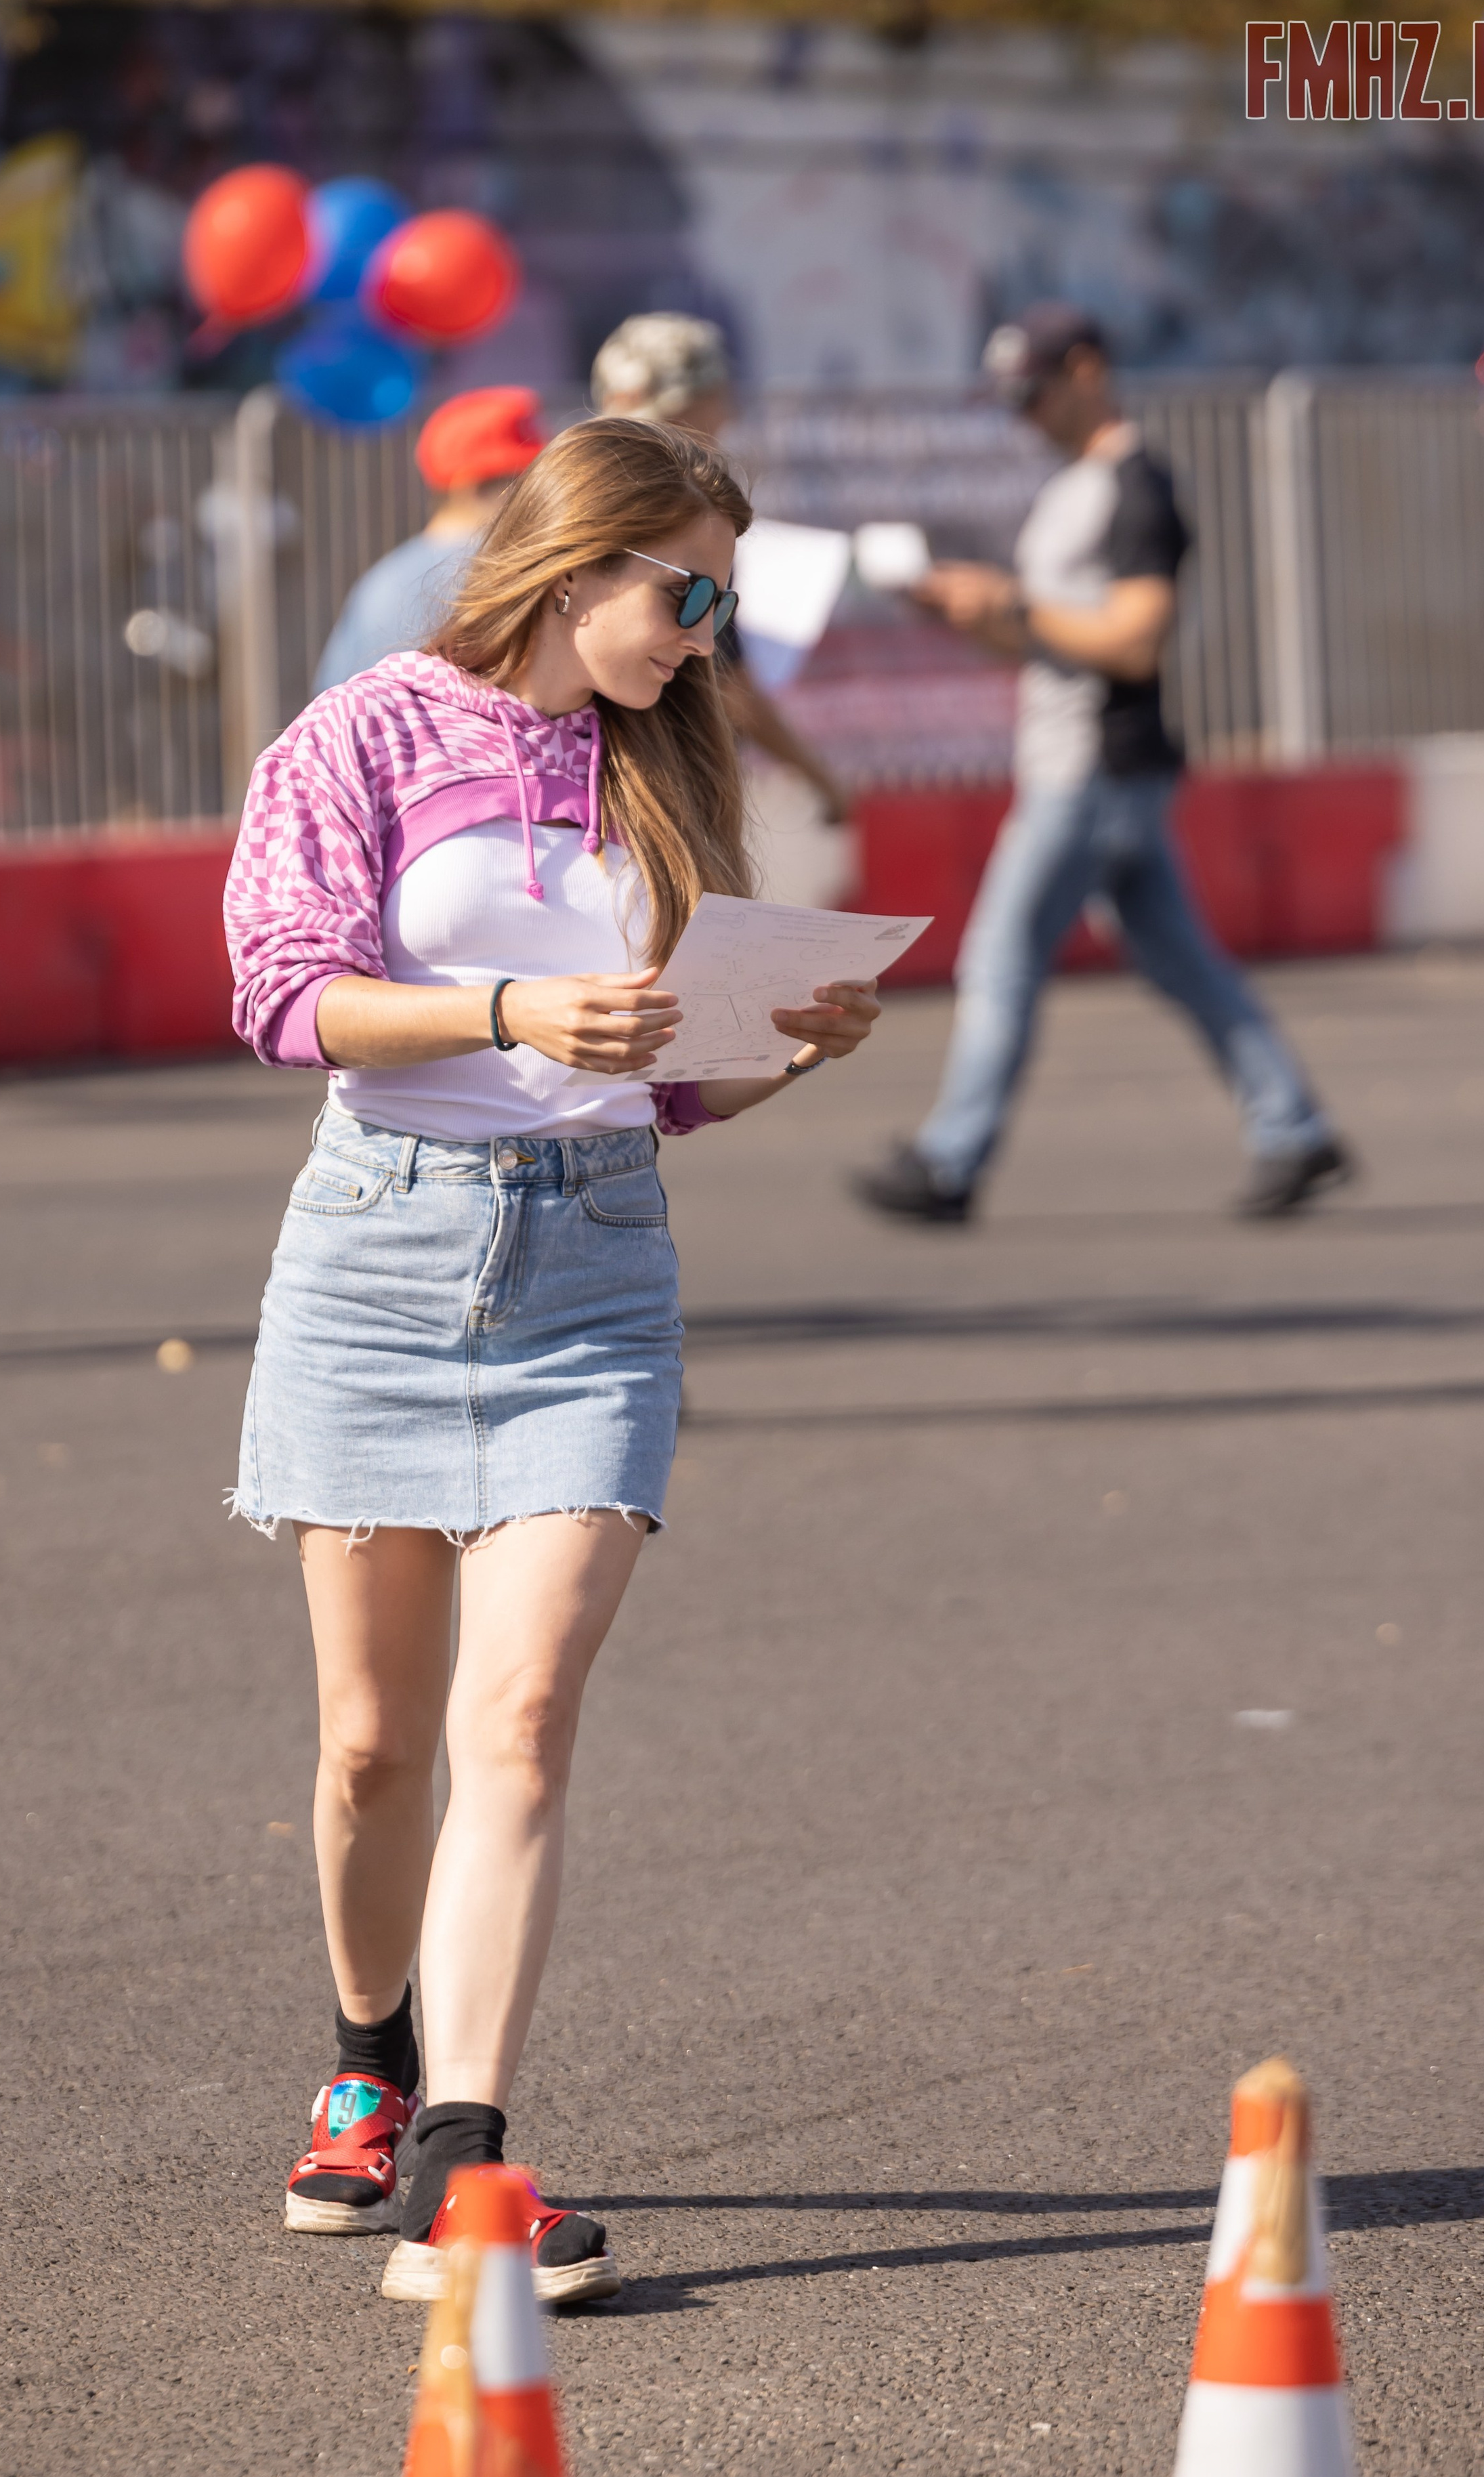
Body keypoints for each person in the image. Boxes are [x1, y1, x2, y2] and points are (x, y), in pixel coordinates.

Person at [224, 415, 881, 2308]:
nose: (704, 636)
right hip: (377, 1251)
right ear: (576, 558)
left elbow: (670, 1078)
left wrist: (793, 1043)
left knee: (516, 1723)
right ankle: (369, 2063)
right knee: (368, 1748)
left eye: (723, 605)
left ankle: (463, 2163)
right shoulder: (360, 733)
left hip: (593, 1262)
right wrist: (511, 1002)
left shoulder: (660, 767)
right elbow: (283, 991)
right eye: (685, 594)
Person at [854, 305, 1353, 1223]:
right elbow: (1053, 640)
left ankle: (950, 1160)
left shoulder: (1137, 485)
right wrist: (972, 612)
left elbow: (1134, 642)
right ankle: (1294, 1126)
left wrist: (1008, 602)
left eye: (1034, 393)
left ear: (1086, 370)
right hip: (1087, 759)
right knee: (1183, 964)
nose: (1024, 414)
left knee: (1002, 961)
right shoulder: (1075, 487)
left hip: (1093, 764)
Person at [590, 311, 851, 826]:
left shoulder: (578, 496)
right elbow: (725, 680)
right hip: (656, 786)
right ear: (705, 403)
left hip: (585, 778)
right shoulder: (685, 517)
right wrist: (819, 778)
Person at [311, 386, 546, 693]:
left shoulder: (380, 580)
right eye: (522, 482)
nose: (541, 498)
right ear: (472, 486)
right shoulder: (511, 567)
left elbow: (328, 697)